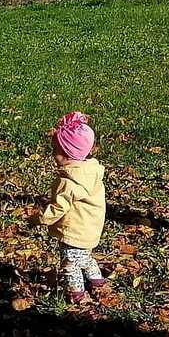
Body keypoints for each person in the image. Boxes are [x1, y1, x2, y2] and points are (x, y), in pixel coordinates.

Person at [31, 112, 107, 303]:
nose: (52, 155)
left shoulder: (68, 182)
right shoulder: (91, 173)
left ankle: (75, 292)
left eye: (55, 150)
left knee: (70, 262)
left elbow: (58, 208)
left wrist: (39, 218)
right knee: (85, 256)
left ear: (67, 154)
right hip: (91, 229)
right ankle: (97, 280)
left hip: (74, 231)